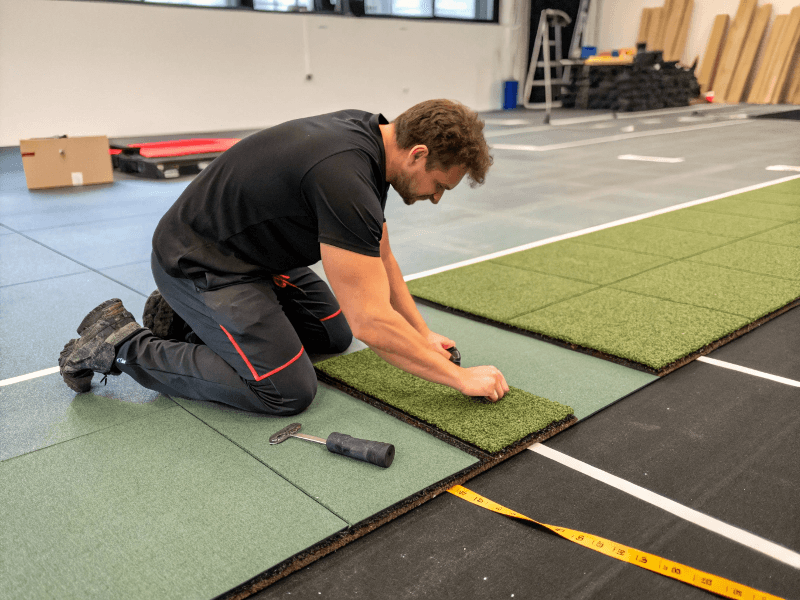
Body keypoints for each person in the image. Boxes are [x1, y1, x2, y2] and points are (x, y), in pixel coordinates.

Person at [58, 99, 509, 415]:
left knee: (332, 334)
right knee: (285, 390)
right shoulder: (346, 176)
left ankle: (190, 320)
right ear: (418, 154)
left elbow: (381, 253)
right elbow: (371, 323)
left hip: (254, 255)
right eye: (440, 186)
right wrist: (459, 378)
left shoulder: (373, 140)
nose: (436, 198)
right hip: (200, 262)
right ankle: (121, 344)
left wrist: (422, 334)